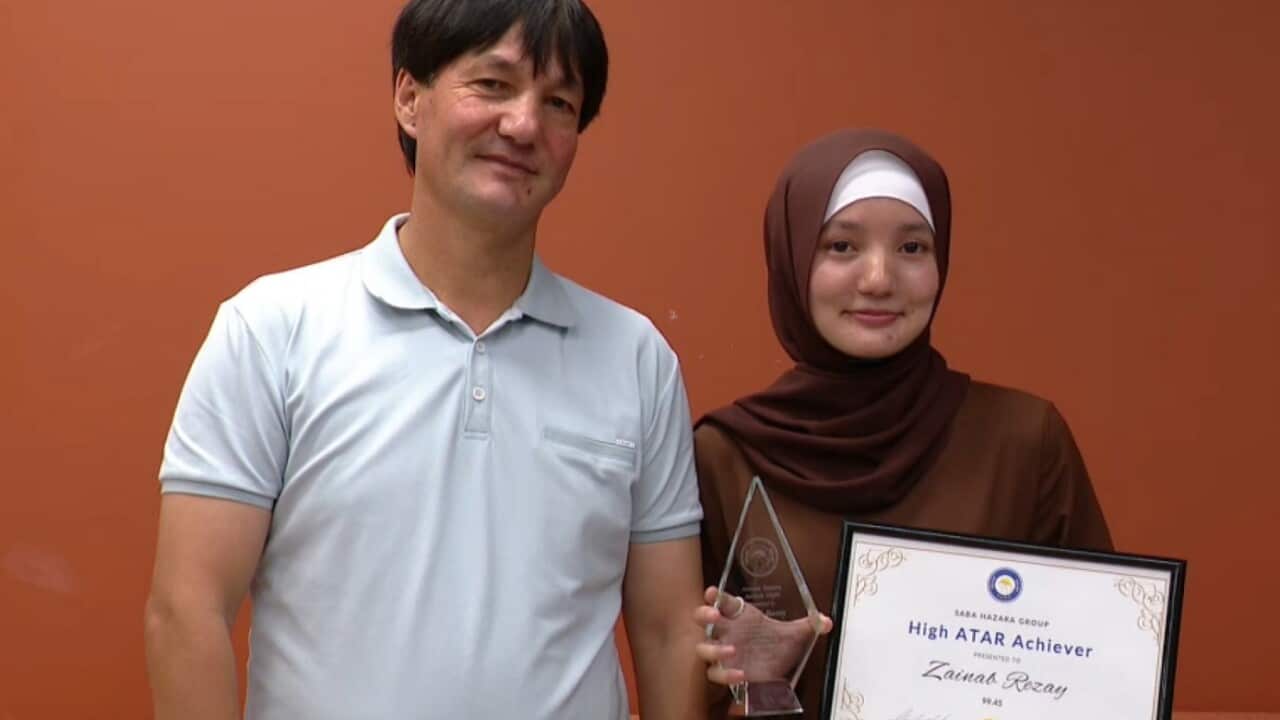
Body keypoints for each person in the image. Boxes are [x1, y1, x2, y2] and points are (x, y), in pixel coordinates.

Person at [143, 1, 706, 718]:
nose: (524, 125)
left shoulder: (636, 358)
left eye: (559, 102)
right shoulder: (272, 330)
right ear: (410, 99)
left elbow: (666, 634)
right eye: (493, 85)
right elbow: (187, 610)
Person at [693, 128, 1112, 716]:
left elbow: (1097, 666)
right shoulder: (724, 454)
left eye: (912, 248)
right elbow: (689, 687)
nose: (878, 279)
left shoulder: (1024, 439)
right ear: (790, 259)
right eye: (841, 247)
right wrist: (762, 683)